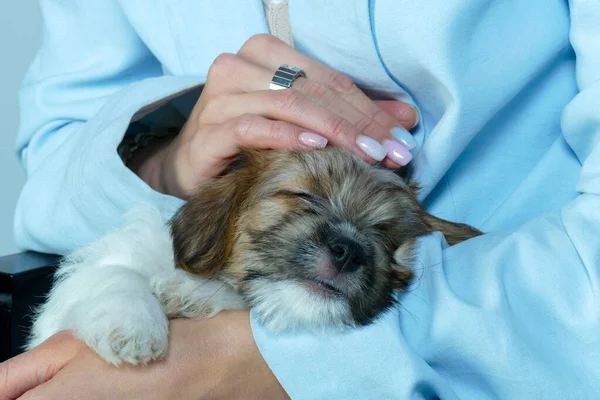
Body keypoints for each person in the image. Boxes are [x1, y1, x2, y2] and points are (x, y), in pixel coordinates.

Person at [2, 0, 599, 398]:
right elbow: (56, 145)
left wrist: (288, 364)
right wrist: (172, 156)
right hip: (170, 297)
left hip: (515, 339)